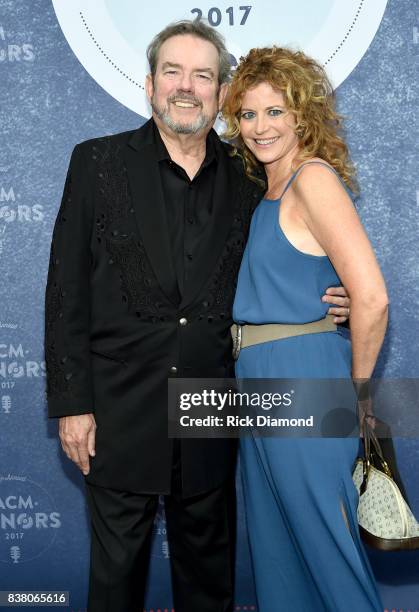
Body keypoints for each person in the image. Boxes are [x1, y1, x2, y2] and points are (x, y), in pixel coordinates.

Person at [44, 21, 350, 612]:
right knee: (115, 583)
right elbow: (65, 295)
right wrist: (71, 404)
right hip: (118, 408)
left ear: (220, 91)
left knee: (210, 581)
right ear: (150, 83)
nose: (187, 87)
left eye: (203, 75)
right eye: (173, 72)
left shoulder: (248, 173)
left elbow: (288, 251)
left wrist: (333, 291)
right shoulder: (97, 163)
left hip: (213, 406)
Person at [223, 47, 388, 611]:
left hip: (302, 384)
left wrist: (360, 394)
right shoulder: (265, 189)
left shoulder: (311, 179)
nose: (261, 126)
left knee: (327, 549)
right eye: (248, 114)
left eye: (276, 111)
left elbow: (370, 298)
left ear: (302, 114)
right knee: (281, 558)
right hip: (257, 383)